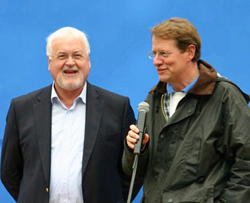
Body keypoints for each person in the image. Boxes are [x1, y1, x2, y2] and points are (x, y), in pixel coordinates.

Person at [1, 27, 142, 203]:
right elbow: (9, 172)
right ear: (49, 62)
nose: (70, 62)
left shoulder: (117, 107)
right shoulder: (21, 108)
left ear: (88, 60)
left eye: (77, 55)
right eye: (62, 56)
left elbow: (134, 169)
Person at [122, 17, 250, 203]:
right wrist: (135, 149)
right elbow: (133, 171)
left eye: (164, 53)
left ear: (189, 52)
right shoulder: (153, 99)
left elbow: (246, 164)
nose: (156, 61)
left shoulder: (225, 97)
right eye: (154, 53)